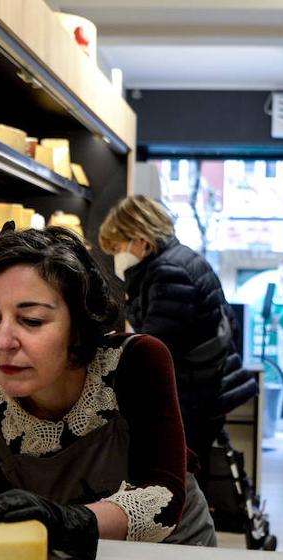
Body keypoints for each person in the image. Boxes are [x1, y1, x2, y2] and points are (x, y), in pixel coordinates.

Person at [0, 225, 219, 560]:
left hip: (178, 557)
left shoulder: (135, 362)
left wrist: (69, 522)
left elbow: (164, 498)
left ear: (79, 324)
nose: (3, 341)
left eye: (32, 319)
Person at [97, 195, 258, 487]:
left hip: (193, 396)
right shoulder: (180, 260)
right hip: (206, 389)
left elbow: (157, 346)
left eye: (118, 247)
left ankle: (179, 532)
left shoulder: (167, 272)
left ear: (140, 239)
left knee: (175, 481)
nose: (116, 256)